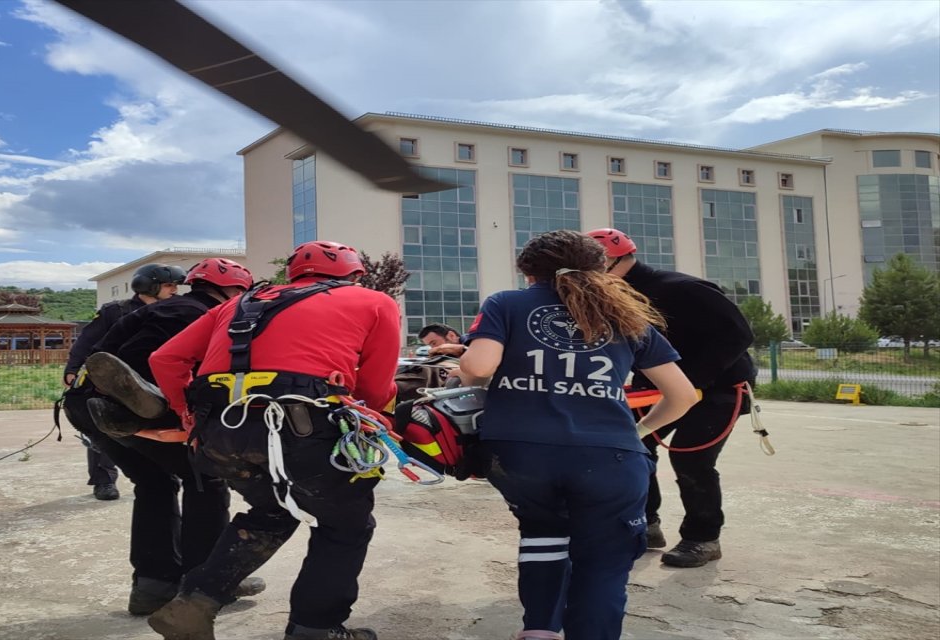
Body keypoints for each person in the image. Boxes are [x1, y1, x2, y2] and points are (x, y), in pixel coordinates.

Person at [145, 240, 401, 640]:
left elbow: (164, 359)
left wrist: (187, 416)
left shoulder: (237, 304)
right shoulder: (373, 301)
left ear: (293, 274)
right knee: (345, 523)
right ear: (354, 275)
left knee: (273, 510)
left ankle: (194, 604)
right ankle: (315, 629)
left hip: (221, 431)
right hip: (304, 427)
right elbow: (375, 386)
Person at [459, 229, 698, 640]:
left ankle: (539, 631)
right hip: (609, 457)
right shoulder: (625, 315)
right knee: (604, 562)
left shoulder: (506, 303)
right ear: (601, 269)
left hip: (521, 455)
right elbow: (683, 395)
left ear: (528, 272)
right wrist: (638, 431)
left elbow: (479, 367)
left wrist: (464, 371)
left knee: (542, 536)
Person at [78, 258, 268, 616]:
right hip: (143, 403)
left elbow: (97, 352)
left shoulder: (151, 309)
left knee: (155, 484)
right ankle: (206, 583)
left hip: (88, 408)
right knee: (205, 478)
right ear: (233, 290)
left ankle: (153, 586)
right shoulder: (216, 315)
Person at [587, 227, 758, 568]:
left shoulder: (682, 289)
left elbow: (738, 334)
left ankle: (702, 538)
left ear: (608, 262)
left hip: (717, 389)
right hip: (658, 389)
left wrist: (691, 381)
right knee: (631, 447)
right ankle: (646, 525)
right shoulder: (616, 297)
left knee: (691, 458)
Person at [61, 263, 184, 500]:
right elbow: (86, 342)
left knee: (154, 433)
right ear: (149, 286)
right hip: (112, 384)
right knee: (106, 428)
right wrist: (73, 369)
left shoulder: (175, 311)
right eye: (169, 285)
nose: (175, 290)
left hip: (151, 384)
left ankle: (164, 471)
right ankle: (104, 480)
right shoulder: (115, 311)